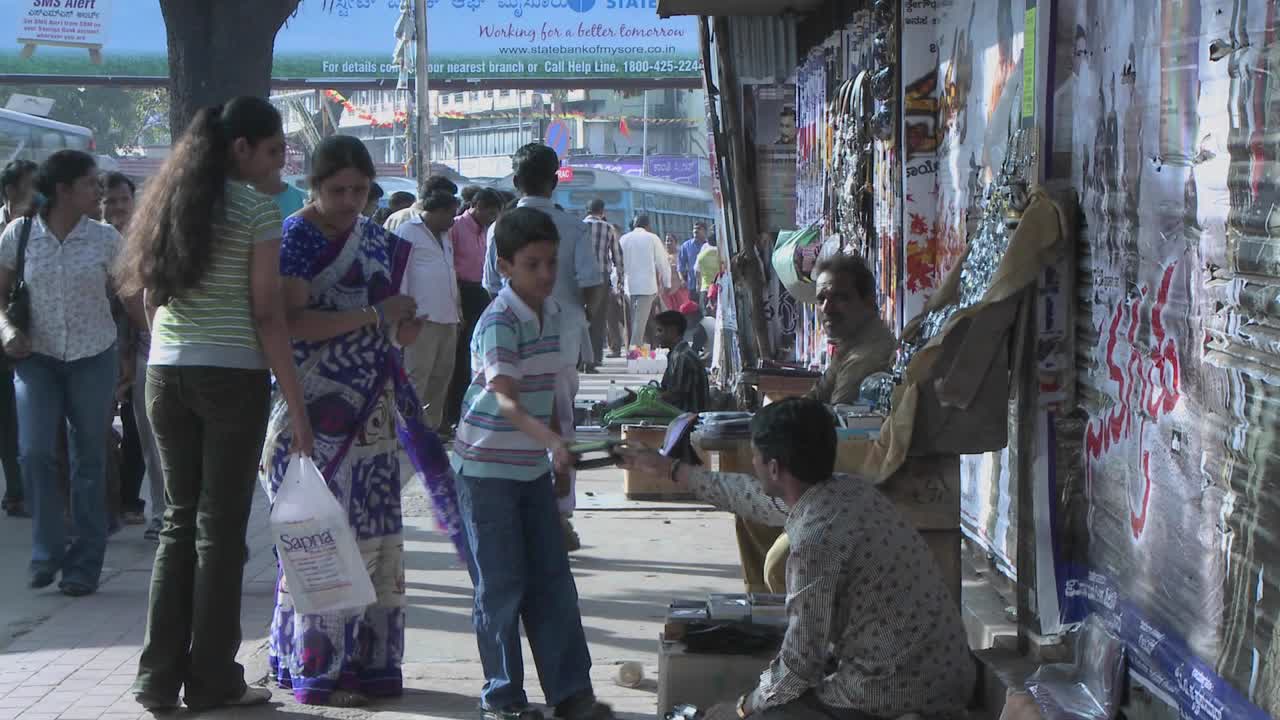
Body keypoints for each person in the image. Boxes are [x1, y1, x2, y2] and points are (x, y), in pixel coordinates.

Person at [120, 97, 314, 711]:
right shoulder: (257, 210)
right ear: (242, 150)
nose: (279, 166)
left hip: (166, 375)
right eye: (274, 151)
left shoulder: (173, 203)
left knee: (178, 522)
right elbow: (266, 313)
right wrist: (296, 400)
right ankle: (212, 680)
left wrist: (171, 349)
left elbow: (150, 299)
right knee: (220, 532)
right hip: (230, 379)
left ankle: (156, 679)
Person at [617, 398, 973, 720]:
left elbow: (800, 665)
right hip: (947, 669)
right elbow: (750, 496)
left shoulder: (815, 542)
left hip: (898, 688)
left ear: (773, 468)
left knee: (770, 708)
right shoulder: (849, 491)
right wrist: (670, 469)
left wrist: (740, 709)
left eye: (754, 457)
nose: (752, 465)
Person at [265, 135, 464, 707]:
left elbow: (390, 322)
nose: (349, 201)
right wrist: (372, 315)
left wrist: (400, 326)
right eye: (337, 190)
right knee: (322, 542)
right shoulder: (294, 239)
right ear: (315, 187)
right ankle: (315, 670)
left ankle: (361, 665)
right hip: (309, 413)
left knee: (373, 543)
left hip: (371, 417)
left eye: (358, 190)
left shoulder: (375, 240)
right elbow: (292, 323)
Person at [454, 207, 616, 720]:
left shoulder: (556, 315)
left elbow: (548, 397)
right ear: (504, 266)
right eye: (532, 265)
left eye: (551, 263)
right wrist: (554, 445)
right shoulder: (499, 320)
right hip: (485, 474)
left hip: (529, 471)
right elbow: (507, 400)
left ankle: (571, 693)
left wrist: (559, 454)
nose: (546, 275)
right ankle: (502, 700)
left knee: (553, 583)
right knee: (501, 588)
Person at [0, 150, 118, 595]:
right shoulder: (20, 233)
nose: (99, 191)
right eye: (91, 183)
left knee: (89, 457)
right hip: (36, 358)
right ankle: (46, 552)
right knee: (33, 452)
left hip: (94, 355)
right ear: (64, 190)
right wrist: (8, 329)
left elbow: (130, 293)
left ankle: (84, 564)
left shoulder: (106, 239)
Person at [479, 145, 603, 551]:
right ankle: (559, 515)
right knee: (561, 424)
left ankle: (524, 512)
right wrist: (587, 325)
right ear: (555, 180)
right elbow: (592, 283)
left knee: (510, 422)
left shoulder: (501, 228)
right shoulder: (572, 227)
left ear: (515, 182)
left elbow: (490, 286)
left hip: (511, 338)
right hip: (563, 340)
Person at [100, 172, 147, 528]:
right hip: (101, 347)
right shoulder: (93, 242)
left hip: (140, 344)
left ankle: (130, 499)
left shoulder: (145, 241)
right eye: (109, 201)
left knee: (136, 428)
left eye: (122, 200)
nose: (117, 207)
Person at [395, 190, 462, 432]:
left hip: (448, 318)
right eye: (451, 215)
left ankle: (429, 432)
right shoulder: (407, 231)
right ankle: (408, 432)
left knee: (441, 378)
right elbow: (399, 275)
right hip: (420, 319)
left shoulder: (445, 235)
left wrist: (458, 308)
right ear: (438, 212)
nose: (454, 220)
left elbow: (448, 273)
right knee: (417, 377)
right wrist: (402, 316)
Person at [805, 254, 895, 405]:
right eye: (821, 299)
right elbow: (813, 400)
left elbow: (837, 419)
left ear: (868, 301)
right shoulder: (850, 343)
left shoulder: (869, 355)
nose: (827, 308)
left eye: (840, 297)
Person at [446, 187, 502, 428]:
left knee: (475, 355)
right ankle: (450, 413)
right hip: (461, 293)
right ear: (477, 206)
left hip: (479, 292)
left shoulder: (486, 231)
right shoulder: (457, 227)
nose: (492, 216)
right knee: (459, 358)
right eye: (490, 211)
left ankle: (465, 410)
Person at [0, 160, 36, 518]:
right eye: (30, 186)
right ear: (10, 191)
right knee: (5, 419)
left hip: (29, 333)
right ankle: (16, 488)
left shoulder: (40, 228)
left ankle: (24, 489)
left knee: (20, 412)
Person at [619, 214, 671, 349]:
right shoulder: (652, 238)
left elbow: (617, 264)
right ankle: (634, 351)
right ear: (648, 225)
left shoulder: (624, 239)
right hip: (647, 287)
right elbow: (662, 262)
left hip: (629, 286)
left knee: (636, 319)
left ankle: (643, 349)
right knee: (639, 322)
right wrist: (667, 283)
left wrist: (616, 283)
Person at [583, 198, 623, 369]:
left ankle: (581, 358)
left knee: (582, 317)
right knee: (599, 318)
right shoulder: (608, 228)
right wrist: (620, 278)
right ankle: (595, 358)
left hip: (582, 277)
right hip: (601, 278)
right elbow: (617, 256)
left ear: (587, 210)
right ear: (602, 211)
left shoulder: (579, 226)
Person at [653, 310, 709, 413]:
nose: (657, 335)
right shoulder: (676, 353)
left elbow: (675, 395)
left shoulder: (683, 357)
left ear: (672, 331)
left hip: (689, 417)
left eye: (660, 330)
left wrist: (652, 399)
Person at [660, 232, 691, 311]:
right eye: (667, 240)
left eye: (671, 240)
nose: (668, 243)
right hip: (665, 290)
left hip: (679, 289)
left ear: (676, 242)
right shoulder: (661, 256)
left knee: (682, 311)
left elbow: (685, 270)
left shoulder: (680, 255)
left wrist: (683, 280)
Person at [677, 222, 706, 299]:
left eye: (698, 229)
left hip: (707, 285)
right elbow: (680, 266)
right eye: (694, 229)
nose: (695, 231)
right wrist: (682, 280)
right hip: (692, 286)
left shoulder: (708, 245)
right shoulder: (686, 246)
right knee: (694, 309)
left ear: (704, 231)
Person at [695, 235, 722, 312]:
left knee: (707, 318)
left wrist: (698, 286)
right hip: (720, 290)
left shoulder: (701, 256)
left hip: (705, 289)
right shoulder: (722, 254)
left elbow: (697, 271)